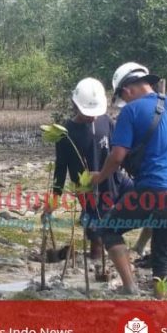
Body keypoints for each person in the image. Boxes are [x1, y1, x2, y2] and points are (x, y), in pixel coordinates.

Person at [90, 62, 167, 297]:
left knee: (108, 228)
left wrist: (99, 177)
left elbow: (117, 156)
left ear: (127, 90)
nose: (124, 102)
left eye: (123, 97)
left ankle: (130, 288)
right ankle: (163, 302)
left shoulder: (131, 111)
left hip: (155, 191)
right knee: (164, 250)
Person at [44, 77, 132, 259]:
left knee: (149, 203)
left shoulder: (106, 122)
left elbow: (120, 153)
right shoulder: (65, 133)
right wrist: (54, 200)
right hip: (87, 190)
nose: (92, 116)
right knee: (95, 233)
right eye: (87, 113)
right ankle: (95, 263)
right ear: (75, 105)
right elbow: (60, 169)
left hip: (114, 182)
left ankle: (134, 249)